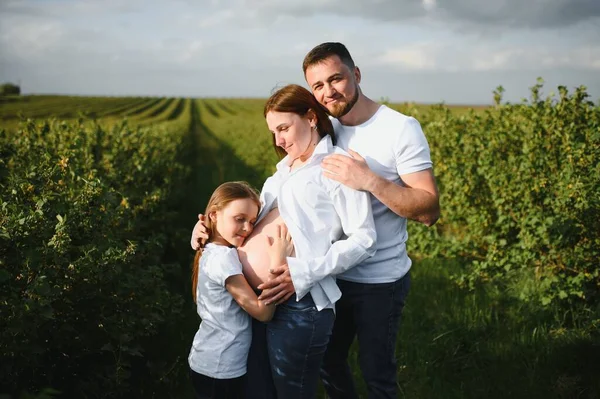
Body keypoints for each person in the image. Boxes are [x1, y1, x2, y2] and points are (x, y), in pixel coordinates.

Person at [259, 42, 441, 398]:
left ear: (356, 75)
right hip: (331, 275)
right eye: (318, 86)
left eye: (336, 79)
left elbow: (429, 210)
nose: (329, 92)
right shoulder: (327, 129)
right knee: (329, 362)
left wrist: (370, 180)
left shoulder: (400, 129)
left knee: (377, 373)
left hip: (379, 280)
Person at [191, 84, 377, 398]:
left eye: (283, 128)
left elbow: (364, 239)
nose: (278, 140)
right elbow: (247, 222)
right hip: (260, 303)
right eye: (273, 132)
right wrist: (206, 231)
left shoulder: (335, 166)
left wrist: (302, 273)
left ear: (311, 118)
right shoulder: (281, 172)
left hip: (300, 305)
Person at [188, 181, 291, 399]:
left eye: (253, 222)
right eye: (239, 219)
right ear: (214, 215)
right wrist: (277, 262)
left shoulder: (214, 248)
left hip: (209, 360)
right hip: (220, 369)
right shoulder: (223, 259)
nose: (247, 228)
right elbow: (263, 312)